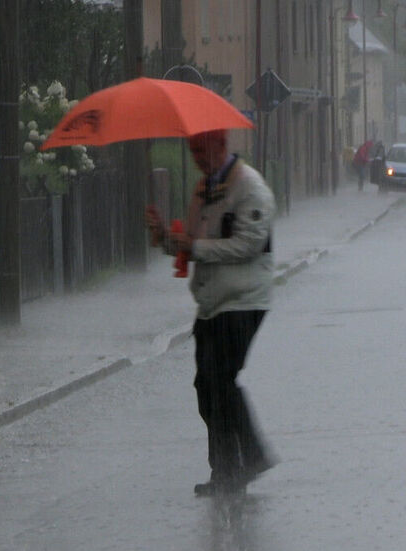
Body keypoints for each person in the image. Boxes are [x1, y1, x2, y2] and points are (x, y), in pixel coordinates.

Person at [144, 129, 277, 497]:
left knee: (220, 379)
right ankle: (226, 472)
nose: (199, 158)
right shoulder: (204, 189)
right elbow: (192, 244)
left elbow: (248, 246)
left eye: (204, 150)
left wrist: (194, 245)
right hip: (211, 303)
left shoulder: (251, 188)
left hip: (244, 300)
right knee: (207, 387)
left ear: (222, 145)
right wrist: (164, 238)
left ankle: (250, 456)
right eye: (193, 151)